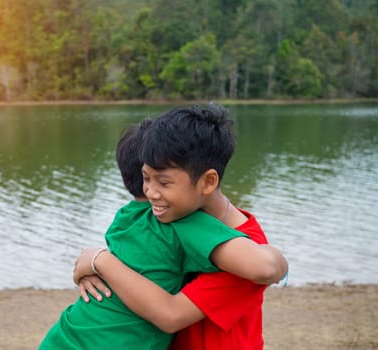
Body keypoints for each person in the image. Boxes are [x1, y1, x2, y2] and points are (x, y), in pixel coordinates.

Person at [39, 106, 287, 349]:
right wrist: (97, 268)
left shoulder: (241, 248)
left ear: (208, 182)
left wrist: (101, 261)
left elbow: (171, 315)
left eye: (164, 182)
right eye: (146, 178)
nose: (151, 193)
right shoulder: (168, 219)